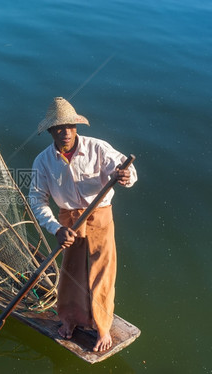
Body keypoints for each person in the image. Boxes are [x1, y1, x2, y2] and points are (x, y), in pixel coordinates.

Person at [29, 97, 137, 352]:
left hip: (100, 215)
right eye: (58, 128)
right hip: (68, 220)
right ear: (50, 132)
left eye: (69, 126)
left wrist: (124, 176)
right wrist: (56, 228)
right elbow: (37, 199)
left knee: (102, 271)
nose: (65, 132)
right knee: (72, 272)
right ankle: (69, 319)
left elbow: (126, 170)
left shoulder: (98, 148)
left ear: (76, 127)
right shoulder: (43, 161)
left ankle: (102, 325)